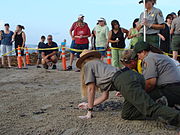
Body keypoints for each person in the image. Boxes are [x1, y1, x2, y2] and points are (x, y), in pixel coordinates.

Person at [77, 50, 180, 127]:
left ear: (83, 62)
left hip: (124, 80)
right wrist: (89, 104)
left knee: (148, 108)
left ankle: (174, 116)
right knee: (127, 113)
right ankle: (162, 107)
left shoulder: (88, 66)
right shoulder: (100, 65)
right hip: (130, 76)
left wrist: (89, 112)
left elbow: (90, 89)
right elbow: (105, 96)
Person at [132, 41, 180, 108]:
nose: (138, 57)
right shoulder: (159, 55)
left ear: (143, 52)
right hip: (176, 88)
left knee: (144, 98)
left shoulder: (149, 58)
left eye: (138, 55)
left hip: (170, 90)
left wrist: (139, 93)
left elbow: (150, 83)